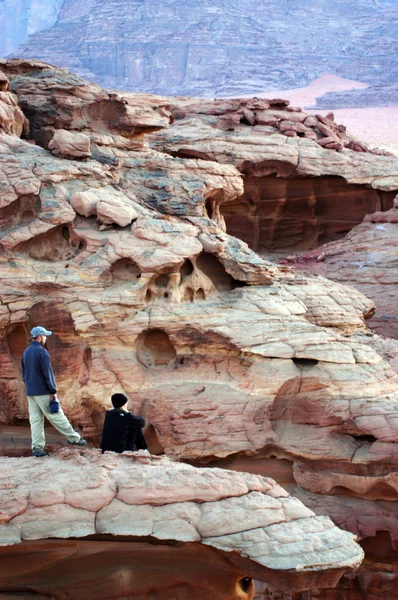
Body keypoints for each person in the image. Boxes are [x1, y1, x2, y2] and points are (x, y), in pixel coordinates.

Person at [21, 325, 87, 457]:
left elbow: (24, 374)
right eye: (45, 336)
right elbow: (48, 373)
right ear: (39, 337)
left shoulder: (26, 353)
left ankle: (37, 448)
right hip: (42, 391)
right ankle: (75, 438)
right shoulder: (42, 352)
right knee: (56, 415)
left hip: (30, 392)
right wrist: (53, 391)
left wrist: (30, 386)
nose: (46, 338)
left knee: (35, 420)